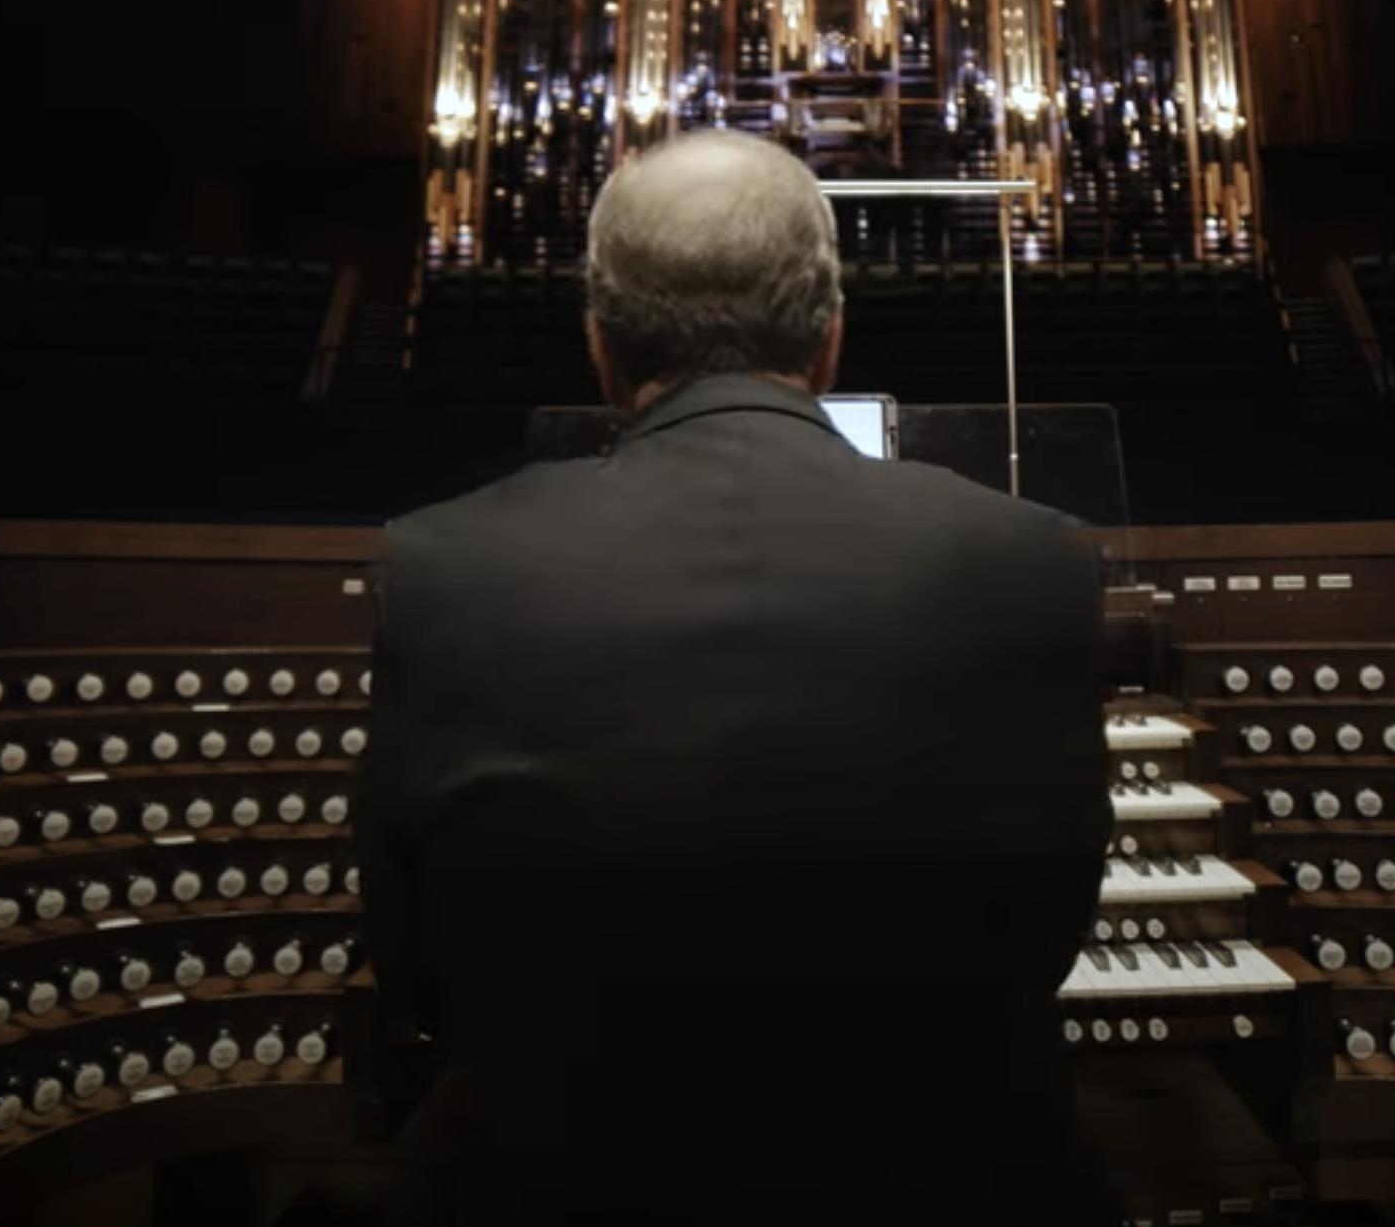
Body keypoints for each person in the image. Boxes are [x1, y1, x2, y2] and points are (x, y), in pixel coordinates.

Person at [358, 130, 1113, 1225]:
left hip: (568, 1176)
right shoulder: (1034, 556)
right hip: (958, 1172)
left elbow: (415, 971)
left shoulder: (440, 563)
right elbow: (1051, 932)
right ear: (830, 341)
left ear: (599, 347)